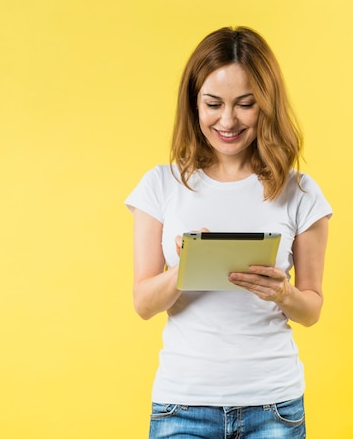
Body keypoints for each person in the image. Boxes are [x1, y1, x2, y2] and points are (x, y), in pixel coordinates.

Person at [126, 27, 332, 438]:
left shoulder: (300, 191)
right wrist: (184, 269)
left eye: (245, 104)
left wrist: (282, 293)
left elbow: (311, 310)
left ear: (266, 105)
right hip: (182, 405)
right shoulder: (161, 185)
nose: (227, 120)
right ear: (194, 104)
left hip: (273, 406)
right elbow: (143, 304)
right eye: (213, 104)